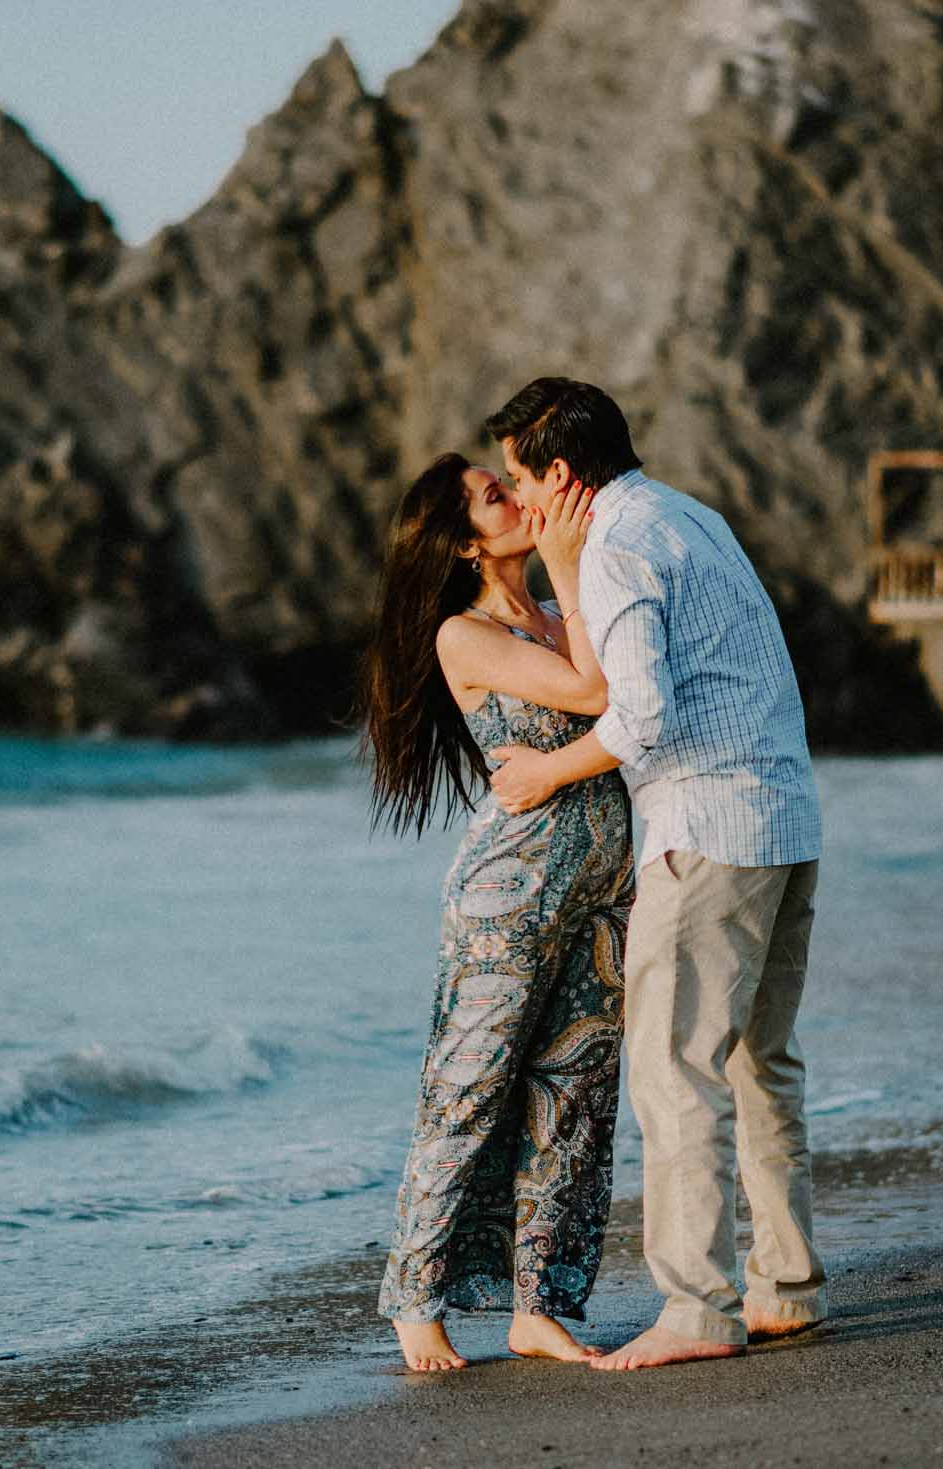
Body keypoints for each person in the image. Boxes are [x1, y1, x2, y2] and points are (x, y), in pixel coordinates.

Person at [481, 377, 826, 1372]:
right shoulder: (687, 515)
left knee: (677, 1073)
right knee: (761, 1063)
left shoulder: (617, 545)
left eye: (520, 478)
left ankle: (698, 1309)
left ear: (559, 472)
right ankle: (786, 1286)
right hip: (783, 816)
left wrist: (544, 770)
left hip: (704, 827)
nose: (519, 499)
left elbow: (639, 714)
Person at [357, 451, 635, 1371]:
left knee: (576, 1095)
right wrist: (565, 558)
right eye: (492, 496)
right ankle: (415, 1300)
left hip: (603, 885)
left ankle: (537, 1307)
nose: (516, 498)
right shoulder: (462, 634)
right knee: (469, 1091)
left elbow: (636, 704)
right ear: (465, 544)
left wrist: (567, 580)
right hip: (504, 900)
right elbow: (598, 693)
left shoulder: (557, 614)